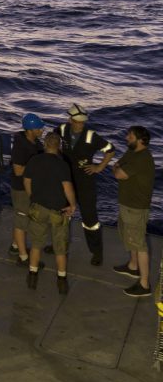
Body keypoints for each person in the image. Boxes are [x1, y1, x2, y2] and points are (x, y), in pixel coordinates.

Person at [57, 103, 115, 265]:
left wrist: (99, 167)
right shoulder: (61, 129)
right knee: (62, 214)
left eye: (82, 122)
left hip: (85, 182)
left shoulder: (91, 136)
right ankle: (59, 244)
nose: (80, 125)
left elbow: (111, 150)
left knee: (90, 219)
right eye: (77, 121)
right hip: (66, 179)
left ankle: (97, 252)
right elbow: (52, 141)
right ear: (70, 120)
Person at [24, 131, 77, 294]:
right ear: (58, 146)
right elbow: (67, 187)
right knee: (60, 247)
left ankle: (32, 276)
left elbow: (26, 181)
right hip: (58, 210)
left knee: (36, 244)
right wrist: (73, 205)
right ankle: (61, 280)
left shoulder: (34, 160)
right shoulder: (62, 164)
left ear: (45, 144)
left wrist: (32, 197)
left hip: (38, 208)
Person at [112, 125, 156, 297]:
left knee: (139, 244)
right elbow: (119, 165)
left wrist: (116, 168)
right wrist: (117, 167)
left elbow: (119, 173)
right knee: (128, 236)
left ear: (140, 140)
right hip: (126, 204)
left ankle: (144, 285)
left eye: (129, 137)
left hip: (136, 207)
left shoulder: (142, 158)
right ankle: (133, 266)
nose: (126, 139)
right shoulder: (132, 152)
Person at [9, 114, 45, 263]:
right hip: (21, 189)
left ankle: (15, 245)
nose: (42, 130)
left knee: (22, 218)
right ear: (30, 130)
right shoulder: (20, 146)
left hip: (30, 187)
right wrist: (36, 166)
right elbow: (18, 171)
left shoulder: (35, 143)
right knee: (21, 220)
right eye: (39, 128)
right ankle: (23, 256)